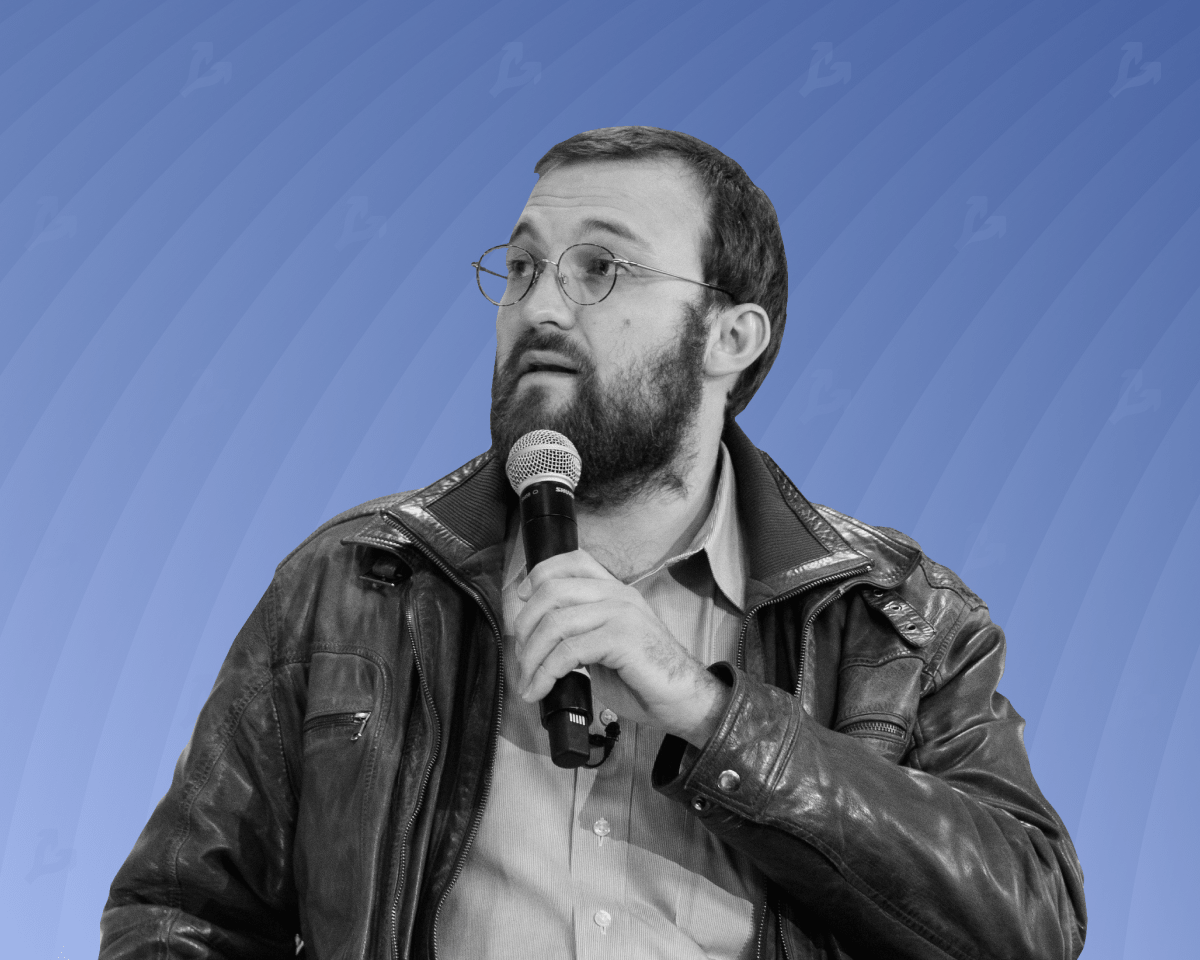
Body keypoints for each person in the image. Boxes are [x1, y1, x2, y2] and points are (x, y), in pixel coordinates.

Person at [100, 127, 1086, 959]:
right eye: (523, 268)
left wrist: (706, 710)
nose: (539, 307)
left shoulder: (897, 621)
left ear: (730, 338)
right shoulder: (353, 584)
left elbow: (1030, 920)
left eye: (601, 268)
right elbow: (180, 915)